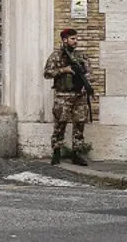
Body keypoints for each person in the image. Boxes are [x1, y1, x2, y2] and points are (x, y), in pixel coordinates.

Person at [43, 28, 95, 166]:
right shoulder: (56, 56)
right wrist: (63, 70)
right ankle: (56, 152)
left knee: (79, 124)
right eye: (73, 39)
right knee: (60, 124)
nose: (75, 41)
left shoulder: (81, 56)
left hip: (79, 95)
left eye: (76, 39)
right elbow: (47, 73)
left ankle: (76, 154)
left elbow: (90, 73)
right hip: (63, 95)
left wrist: (86, 84)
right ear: (65, 40)